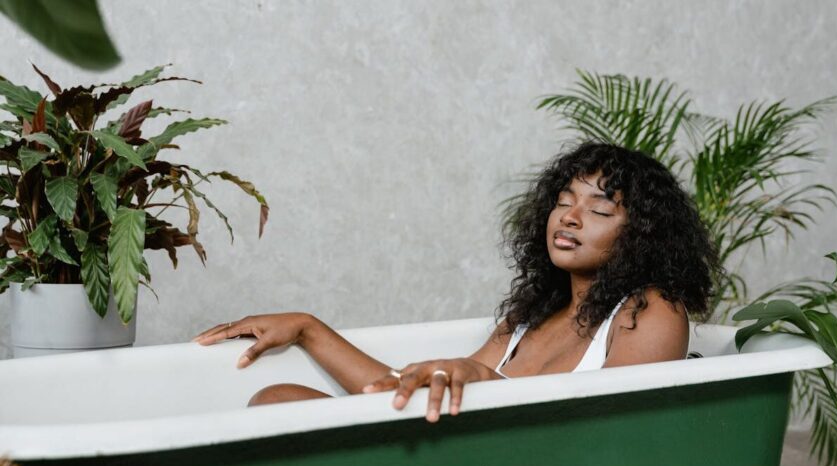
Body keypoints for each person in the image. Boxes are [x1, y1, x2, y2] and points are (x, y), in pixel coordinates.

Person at [193, 141, 718, 423]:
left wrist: (487, 381)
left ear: (641, 235)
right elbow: (423, 393)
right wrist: (308, 328)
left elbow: (612, 430)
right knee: (278, 398)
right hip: (468, 455)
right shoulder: (530, 316)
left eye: (598, 209)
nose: (570, 217)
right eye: (563, 202)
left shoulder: (648, 310)